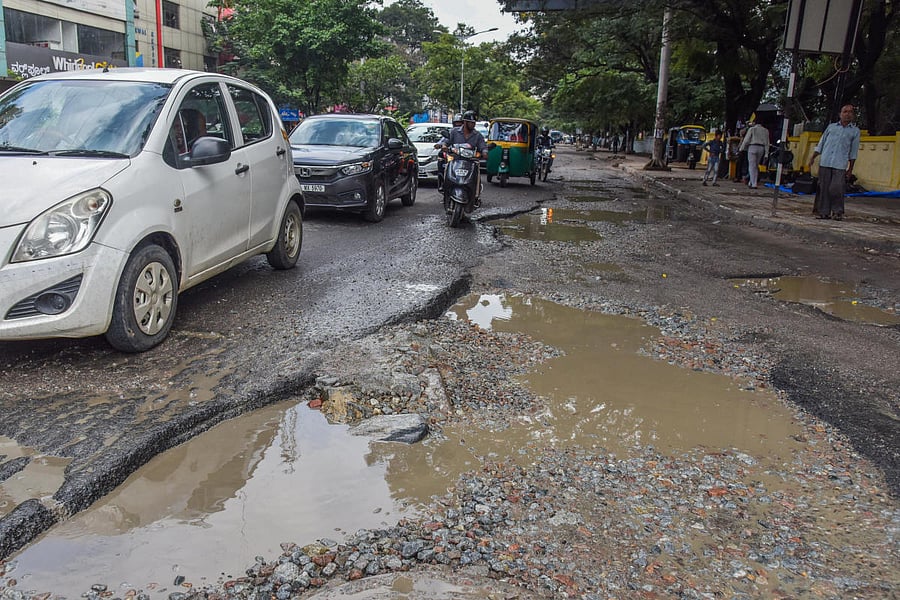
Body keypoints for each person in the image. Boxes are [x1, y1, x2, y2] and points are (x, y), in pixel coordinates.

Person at [807, 104, 860, 221]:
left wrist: (850, 169)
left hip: (840, 164)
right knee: (824, 188)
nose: (847, 114)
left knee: (836, 188)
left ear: (853, 115)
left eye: (850, 112)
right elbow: (821, 144)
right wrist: (813, 157)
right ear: (840, 114)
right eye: (845, 112)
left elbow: (853, 152)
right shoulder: (831, 127)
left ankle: (838, 211)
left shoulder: (855, 131)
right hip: (825, 162)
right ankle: (824, 212)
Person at [435, 110, 488, 200]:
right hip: (455, 160)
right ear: (465, 122)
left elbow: (483, 146)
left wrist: (484, 152)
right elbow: (446, 141)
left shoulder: (477, 135)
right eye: (471, 123)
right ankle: (445, 188)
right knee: (445, 166)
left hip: (470, 162)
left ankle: (476, 194)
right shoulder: (454, 132)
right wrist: (443, 146)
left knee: (477, 169)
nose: (473, 125)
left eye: (474, 123)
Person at [437, 113, 464, 192]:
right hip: (453, 156)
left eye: (460, 124)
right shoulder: (451, 133)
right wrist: (441, 145)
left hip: (465, 157)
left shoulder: (469, 134)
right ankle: (442, 182)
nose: (458, 126)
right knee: (441, 158)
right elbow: (444, 141)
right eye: (456, 124)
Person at [739, 119, 769, 189]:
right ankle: (751, 181)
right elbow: (767, 143)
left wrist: (741, 148)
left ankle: (754, 184)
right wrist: (766, 153)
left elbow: (746, 140)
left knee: (752, 166)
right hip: (761, 148)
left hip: (752, 147)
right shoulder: (766, 131)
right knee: (756, 165)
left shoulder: (752, 129)